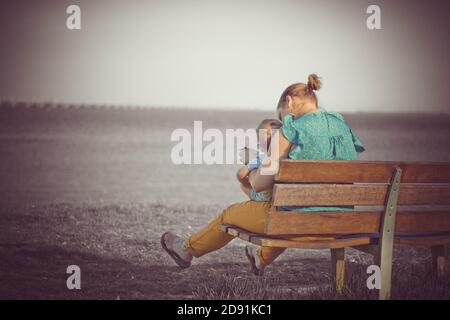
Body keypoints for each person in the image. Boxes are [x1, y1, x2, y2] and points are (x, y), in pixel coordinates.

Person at [161, 74, 366, 275]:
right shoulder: (341, 125)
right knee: (290, 210)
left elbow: (259, 184)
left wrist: (251, 165)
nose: (285, 122)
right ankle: (260, 257)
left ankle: (185, 250)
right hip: (341, 224)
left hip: (296, 224)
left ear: (289, 101)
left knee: (231, 215)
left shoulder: (290, 129)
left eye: (283, 116)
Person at [237, 119, 282, 202]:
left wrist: (248, 182)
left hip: (265, 197)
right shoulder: (285, 156)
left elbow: (241, 174)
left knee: (243, 186)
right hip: (282, 194)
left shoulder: (260, 158)